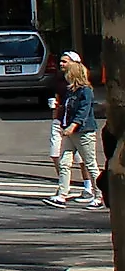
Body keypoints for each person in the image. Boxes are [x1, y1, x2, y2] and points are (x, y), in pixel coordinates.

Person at [47, 60, 102, 208]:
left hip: (84, 132)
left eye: (69, 73)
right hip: (69, 132)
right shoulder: (70, 91)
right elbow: (67, 110)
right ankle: (62, 195)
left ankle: (99, 196)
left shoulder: (85, 91)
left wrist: (72, 126)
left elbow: (83, 111)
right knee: (64, 162)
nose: (66, 75)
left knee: (90, 164)